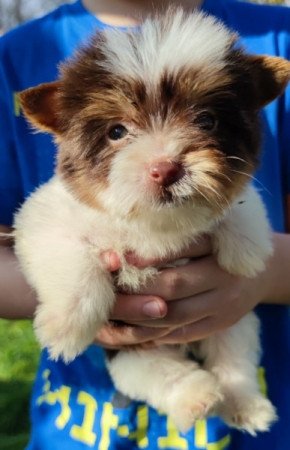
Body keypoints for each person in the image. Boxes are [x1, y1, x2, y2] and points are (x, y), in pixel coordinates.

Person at [1, 0, 290, 448]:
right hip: (78, 427)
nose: (164, 161)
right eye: (118, 131)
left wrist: (269, 271)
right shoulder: (11, 60)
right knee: (136, 366)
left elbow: (252, 243)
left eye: (205, 120)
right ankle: (178, 388)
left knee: (235, 337)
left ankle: (238, 390)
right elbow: (35, 231)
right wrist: (74, 298)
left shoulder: (279, 34)